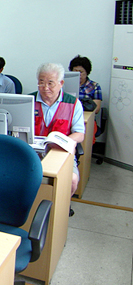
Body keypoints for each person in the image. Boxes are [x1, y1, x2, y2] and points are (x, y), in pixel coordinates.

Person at [31, 62, 85, 197]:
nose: (45, 88)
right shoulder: (28, 100)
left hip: (59, 150)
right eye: (41, 82)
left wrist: (64, 141)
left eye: (50, 83)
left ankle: (61, 207)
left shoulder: (73, 103)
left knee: (72, 180)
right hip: (33, 151)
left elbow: (80, 134)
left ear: (61, 83)